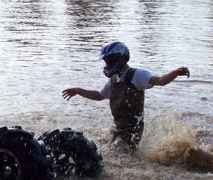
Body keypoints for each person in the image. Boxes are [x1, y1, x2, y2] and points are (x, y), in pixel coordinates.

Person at [62, 41, 190, 151]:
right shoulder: (114, 79)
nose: (107, 64)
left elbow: (160, 80)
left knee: (114, 155)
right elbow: (99, 95)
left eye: (109, 60)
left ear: (120, 58)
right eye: (105, 61)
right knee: (101, 146)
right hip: (119, 128)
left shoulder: (137, 75)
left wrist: (176, 72)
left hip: (132, 131)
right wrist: (78, 90)